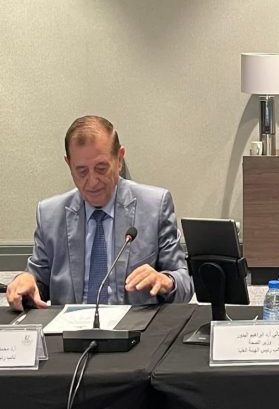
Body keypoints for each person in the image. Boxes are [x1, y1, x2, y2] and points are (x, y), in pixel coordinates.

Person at [5, 116, 193, 311]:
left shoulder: (154, 206)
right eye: (82, 171)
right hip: (70, 326)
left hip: (134, 325)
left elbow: (184, 285)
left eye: (101, 168)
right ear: (69, 164)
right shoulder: (50, 214)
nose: (93, 181)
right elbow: (37, 282)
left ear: (119, 159)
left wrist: (166, 281)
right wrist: (24, 282)